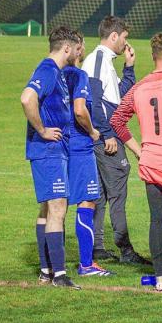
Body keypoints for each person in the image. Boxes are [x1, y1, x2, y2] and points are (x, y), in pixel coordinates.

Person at [110, 32, 162, 291]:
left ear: (153, 55)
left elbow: (117, 121)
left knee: (157, 221)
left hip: (151, 162)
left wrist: (138, 150)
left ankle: (160, 278)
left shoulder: (140, 86)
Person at [81, 15, 148, 264]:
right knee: (118, 190)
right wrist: (107, 134)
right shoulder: (98, 59)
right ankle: (126, 251)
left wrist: (129, 68)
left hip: (103, 134)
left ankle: (97, 247)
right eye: (124, 38)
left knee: (99, 194)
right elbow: (94, 100)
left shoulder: (106, 61)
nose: (125, 43)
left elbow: (120, 96)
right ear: (114, 36)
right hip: (106, 138)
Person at [21, 26, 81, 288]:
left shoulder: (53, 72)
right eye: (76, 48)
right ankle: (59, 275)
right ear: (66, 48)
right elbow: (26, 98)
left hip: (54, 151)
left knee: (48, 208)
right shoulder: (47, 69)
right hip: (48, 151)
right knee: (58, 208)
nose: (78, 53)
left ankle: (46, 271)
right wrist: (43, 130)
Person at [62, 31, 113, 277]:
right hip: (80, 147)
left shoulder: (54, 74)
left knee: (55, 206)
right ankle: (86, 264)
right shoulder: (79, 76)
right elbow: (80, 110)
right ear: (77, 48)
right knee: (88, 201)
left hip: (59, 145)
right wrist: (93, 132)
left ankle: (51, 266)